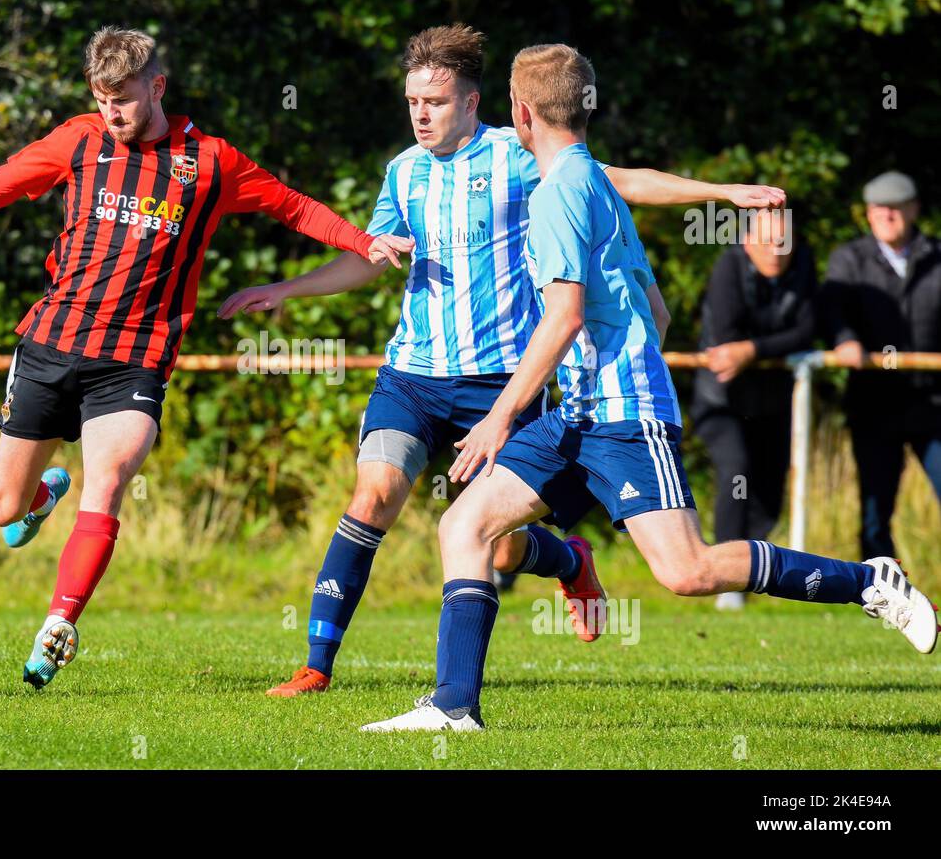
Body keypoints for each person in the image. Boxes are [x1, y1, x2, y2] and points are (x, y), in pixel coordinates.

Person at [0, 25, 413, 690]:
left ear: (156, 87)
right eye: (101, 100)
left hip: (136, 359)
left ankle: (59, 624)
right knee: (3, 511)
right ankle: (41, 497)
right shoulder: (77, 141)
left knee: (110, 479)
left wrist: (361, 241)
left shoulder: (209, 161)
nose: (113, 114)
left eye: (123, 99)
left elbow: (290, 205)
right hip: (50, 344)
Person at [362, 44, 937, 733]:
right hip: (577, 416)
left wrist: (501, 416)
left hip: (621, 418)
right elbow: (654, 308)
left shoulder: (557, 195)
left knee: (688, 572)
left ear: (518, 111)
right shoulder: (586, 181)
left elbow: (566, 315)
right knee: (466, 525)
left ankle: (871, 582)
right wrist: (719, 197)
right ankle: (454, 706)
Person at [220, 24, 788, 697]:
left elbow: (619, 181)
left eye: (434, 102)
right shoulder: (403, 172)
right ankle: (316, 664)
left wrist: (722, 192)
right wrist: (288, 289)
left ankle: (566, 558)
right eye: (411, 102)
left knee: (498, 543)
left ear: (471, 102)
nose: (420, 115)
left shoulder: (517, 157)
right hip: (413, 377)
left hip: (498, 383)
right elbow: (365, 256)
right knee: (373, 495)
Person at [692, 208, 816, 610]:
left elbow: (807, 329)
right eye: (768, 242)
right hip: (721, 400)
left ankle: (753, 571)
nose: (777, 251)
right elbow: (727, 335)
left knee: (770, 492)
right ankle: (728, 584)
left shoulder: (803, 266)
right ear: (747, 241)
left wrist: (753, 349)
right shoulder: (729, 268)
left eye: (784, 242)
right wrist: (764, 345)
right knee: (737, 472)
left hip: (772, 403)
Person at [820, 171, 941, 563]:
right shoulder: (849, 259)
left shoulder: (936, 256)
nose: (887, 215)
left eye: (896, 208)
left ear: (914, 209)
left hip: (934, 403)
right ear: (868, 214)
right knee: (875, 509)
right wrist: (844, 339)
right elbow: (832, 309)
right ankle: (880, 593)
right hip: (874, 403)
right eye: (879, 209)